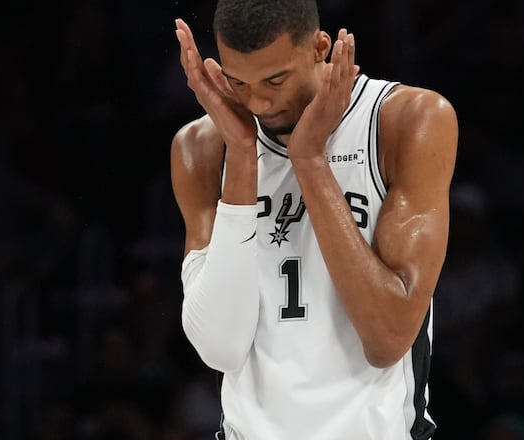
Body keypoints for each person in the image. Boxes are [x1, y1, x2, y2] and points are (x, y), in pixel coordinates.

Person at [170, 1, 458, 439]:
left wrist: (309, 160)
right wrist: (244, 157)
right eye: (238, 82)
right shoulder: (203, 148)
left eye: (275, 79)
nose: (259, 102)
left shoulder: (405, 120)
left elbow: (388, 338)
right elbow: (221, 348)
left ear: (320, 47)